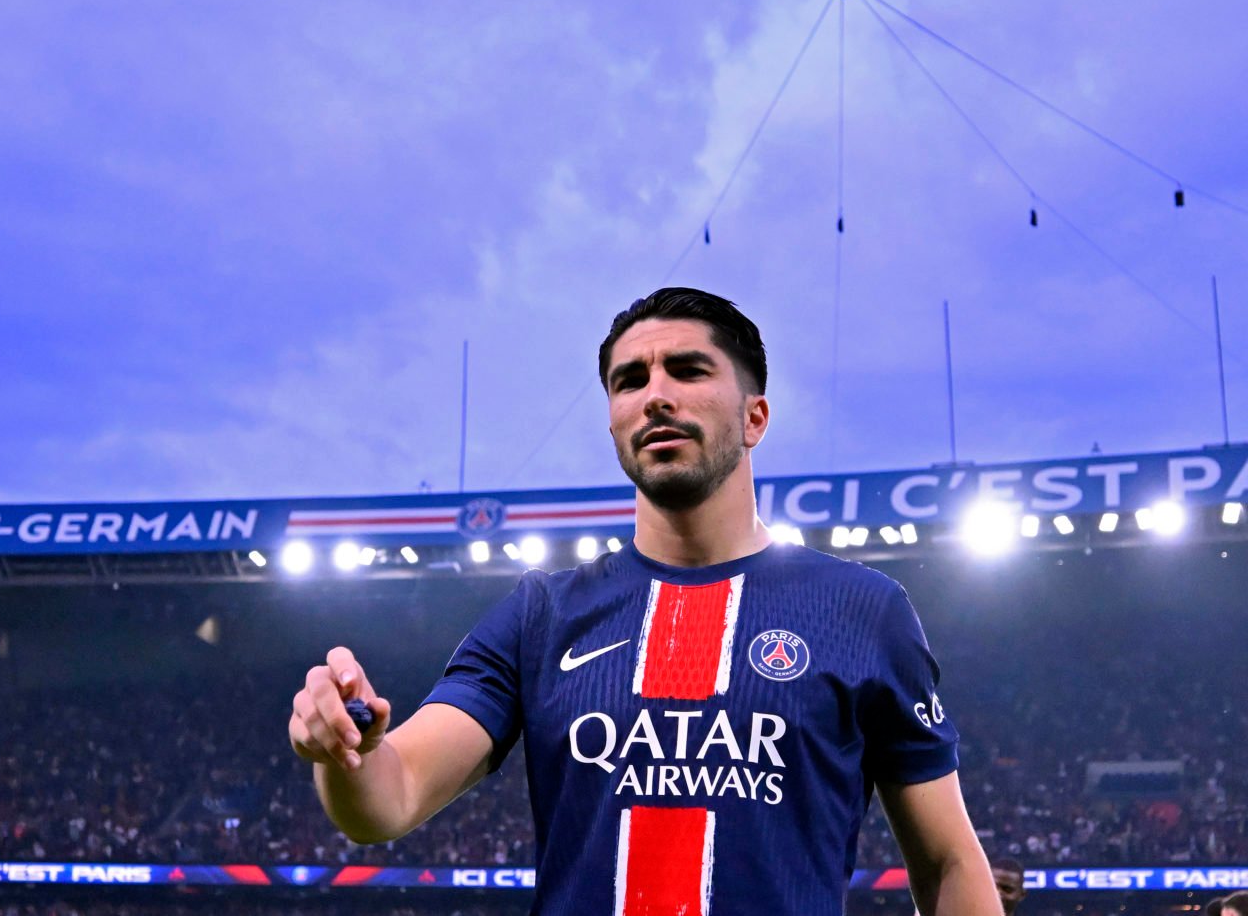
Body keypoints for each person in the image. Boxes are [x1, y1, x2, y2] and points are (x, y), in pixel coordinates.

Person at [289, 287, 999, 915]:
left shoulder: (862, 609)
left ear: (755, 417)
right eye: (630, 380)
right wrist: (345, 750)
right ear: (613, 424)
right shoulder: (540, 614)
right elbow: (391, 796)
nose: (655, 393)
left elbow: (948, 862)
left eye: (688, 370)